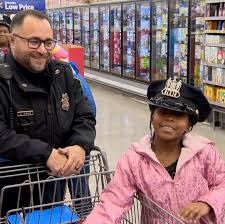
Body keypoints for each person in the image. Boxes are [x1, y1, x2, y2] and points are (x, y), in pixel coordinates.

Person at [84, 77, 225, 224]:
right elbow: (113, 202)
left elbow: (222, 183)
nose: (169, 118)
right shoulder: (134, 160)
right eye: (163, 111)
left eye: (178, 114)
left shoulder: (203, 152)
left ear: (189, 123)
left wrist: (207, 203)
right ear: (153, 116)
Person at [0, 10, 96, 215]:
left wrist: (80, 145)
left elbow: (84, 117)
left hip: (52, 189)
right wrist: (46, 153)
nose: (43, 50)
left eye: (48, 42)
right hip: (10, 193)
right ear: (12, 40)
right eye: (34, 41)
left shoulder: (64, 74)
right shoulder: (2, 80)